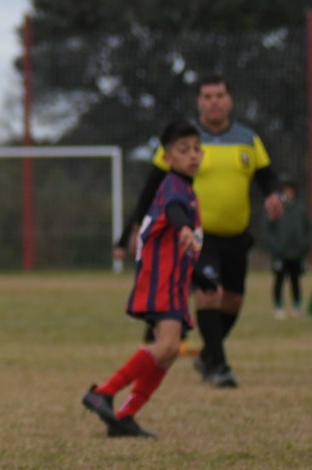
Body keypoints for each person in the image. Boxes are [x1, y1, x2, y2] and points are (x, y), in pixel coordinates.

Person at [119, 75, 283, 388]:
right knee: (209, 294)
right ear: (199, 102)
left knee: (232, 301)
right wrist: (133, 227)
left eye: (219, 95)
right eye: (207, 96)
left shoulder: (248, 139)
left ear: (230, 99)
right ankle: (219, 367)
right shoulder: (184, 141)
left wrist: (275, 194)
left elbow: (268, 178)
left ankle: (208, 354)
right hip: (194, 235)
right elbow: (152, 187)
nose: (214, 102)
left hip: (236, 236)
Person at [84, 121, 203, 438]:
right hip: (162, 281)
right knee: (166, 346)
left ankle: (124, 415)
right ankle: (104, 393)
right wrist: (184, 229)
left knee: (169, 349)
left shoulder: (187, 189)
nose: (192, 155)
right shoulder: (175, 189)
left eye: (196, 149)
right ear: (166, 157)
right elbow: (176, 213)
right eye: (183, 149)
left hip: (174, 282)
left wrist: (202, 277)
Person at [267, 182, 310, 318]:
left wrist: (304, 244)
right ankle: (278, 305)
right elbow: (268, 229)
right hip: (280, 253)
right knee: (279, 280)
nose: (288, 193)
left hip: (296, 253)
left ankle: (296, 305)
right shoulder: (276, 207)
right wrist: (275, 245)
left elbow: (308, 229)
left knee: (295, 280)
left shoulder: (300, 209)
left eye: (290, 190)